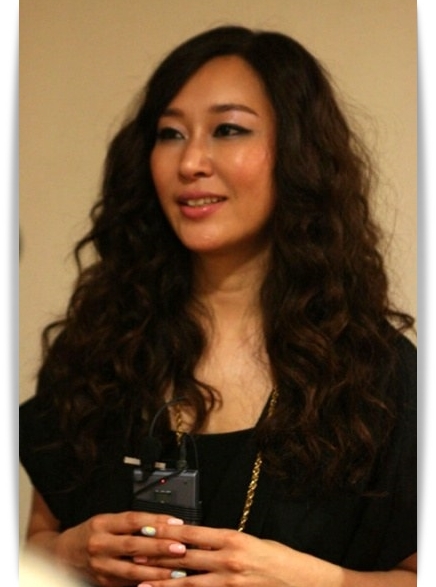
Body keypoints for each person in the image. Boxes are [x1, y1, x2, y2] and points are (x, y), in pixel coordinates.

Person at [20, 25, 417, 587]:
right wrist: (68, 556)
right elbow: (37, 541)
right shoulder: (96, 348)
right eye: (170, 134)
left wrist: (310, 582)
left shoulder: (380, 376)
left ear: (298, 154)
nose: (190, 162)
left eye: (228, 129)